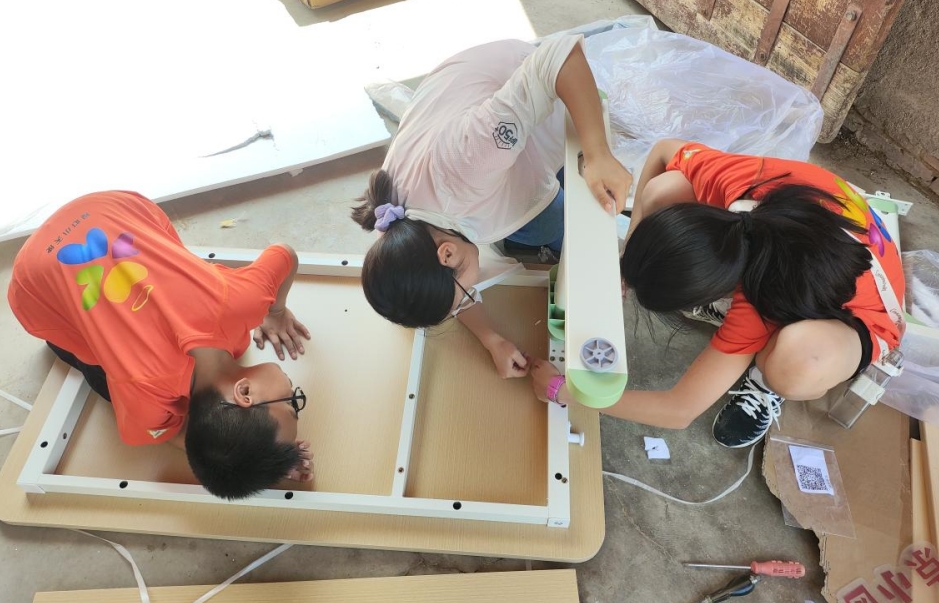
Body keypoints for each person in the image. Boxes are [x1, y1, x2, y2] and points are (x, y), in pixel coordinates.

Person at [531, 139, 906, 448]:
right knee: (663, 190)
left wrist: (567, 393)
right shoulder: (727, 178)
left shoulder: (759, 304)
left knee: (794, 363)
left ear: (721, 292)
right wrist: (629, 253)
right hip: (836, 220)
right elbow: (662, 151)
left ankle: (766, 380)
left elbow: (679, 409)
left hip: (871, 308)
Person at [351, 35, 633, 377]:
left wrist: (597, 153)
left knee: (552, 219)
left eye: (464, 294)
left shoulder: (470, 160)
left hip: (518, 78)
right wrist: (491, 339)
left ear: (447, 253)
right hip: (458, 103)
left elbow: (559, 56)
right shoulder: (396, 238)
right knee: (541, 221)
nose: (468, 296)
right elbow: (448, 289)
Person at [7, 191, 315, 499]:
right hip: (34, 280)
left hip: (105, 209)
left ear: (245, 392)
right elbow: (168, 432)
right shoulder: (143, 395)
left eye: (291, 405)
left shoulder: (243, 303)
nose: (293, 395)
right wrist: (276, 313)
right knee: (96, 365)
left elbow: (285, 254)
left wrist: (274, 310)